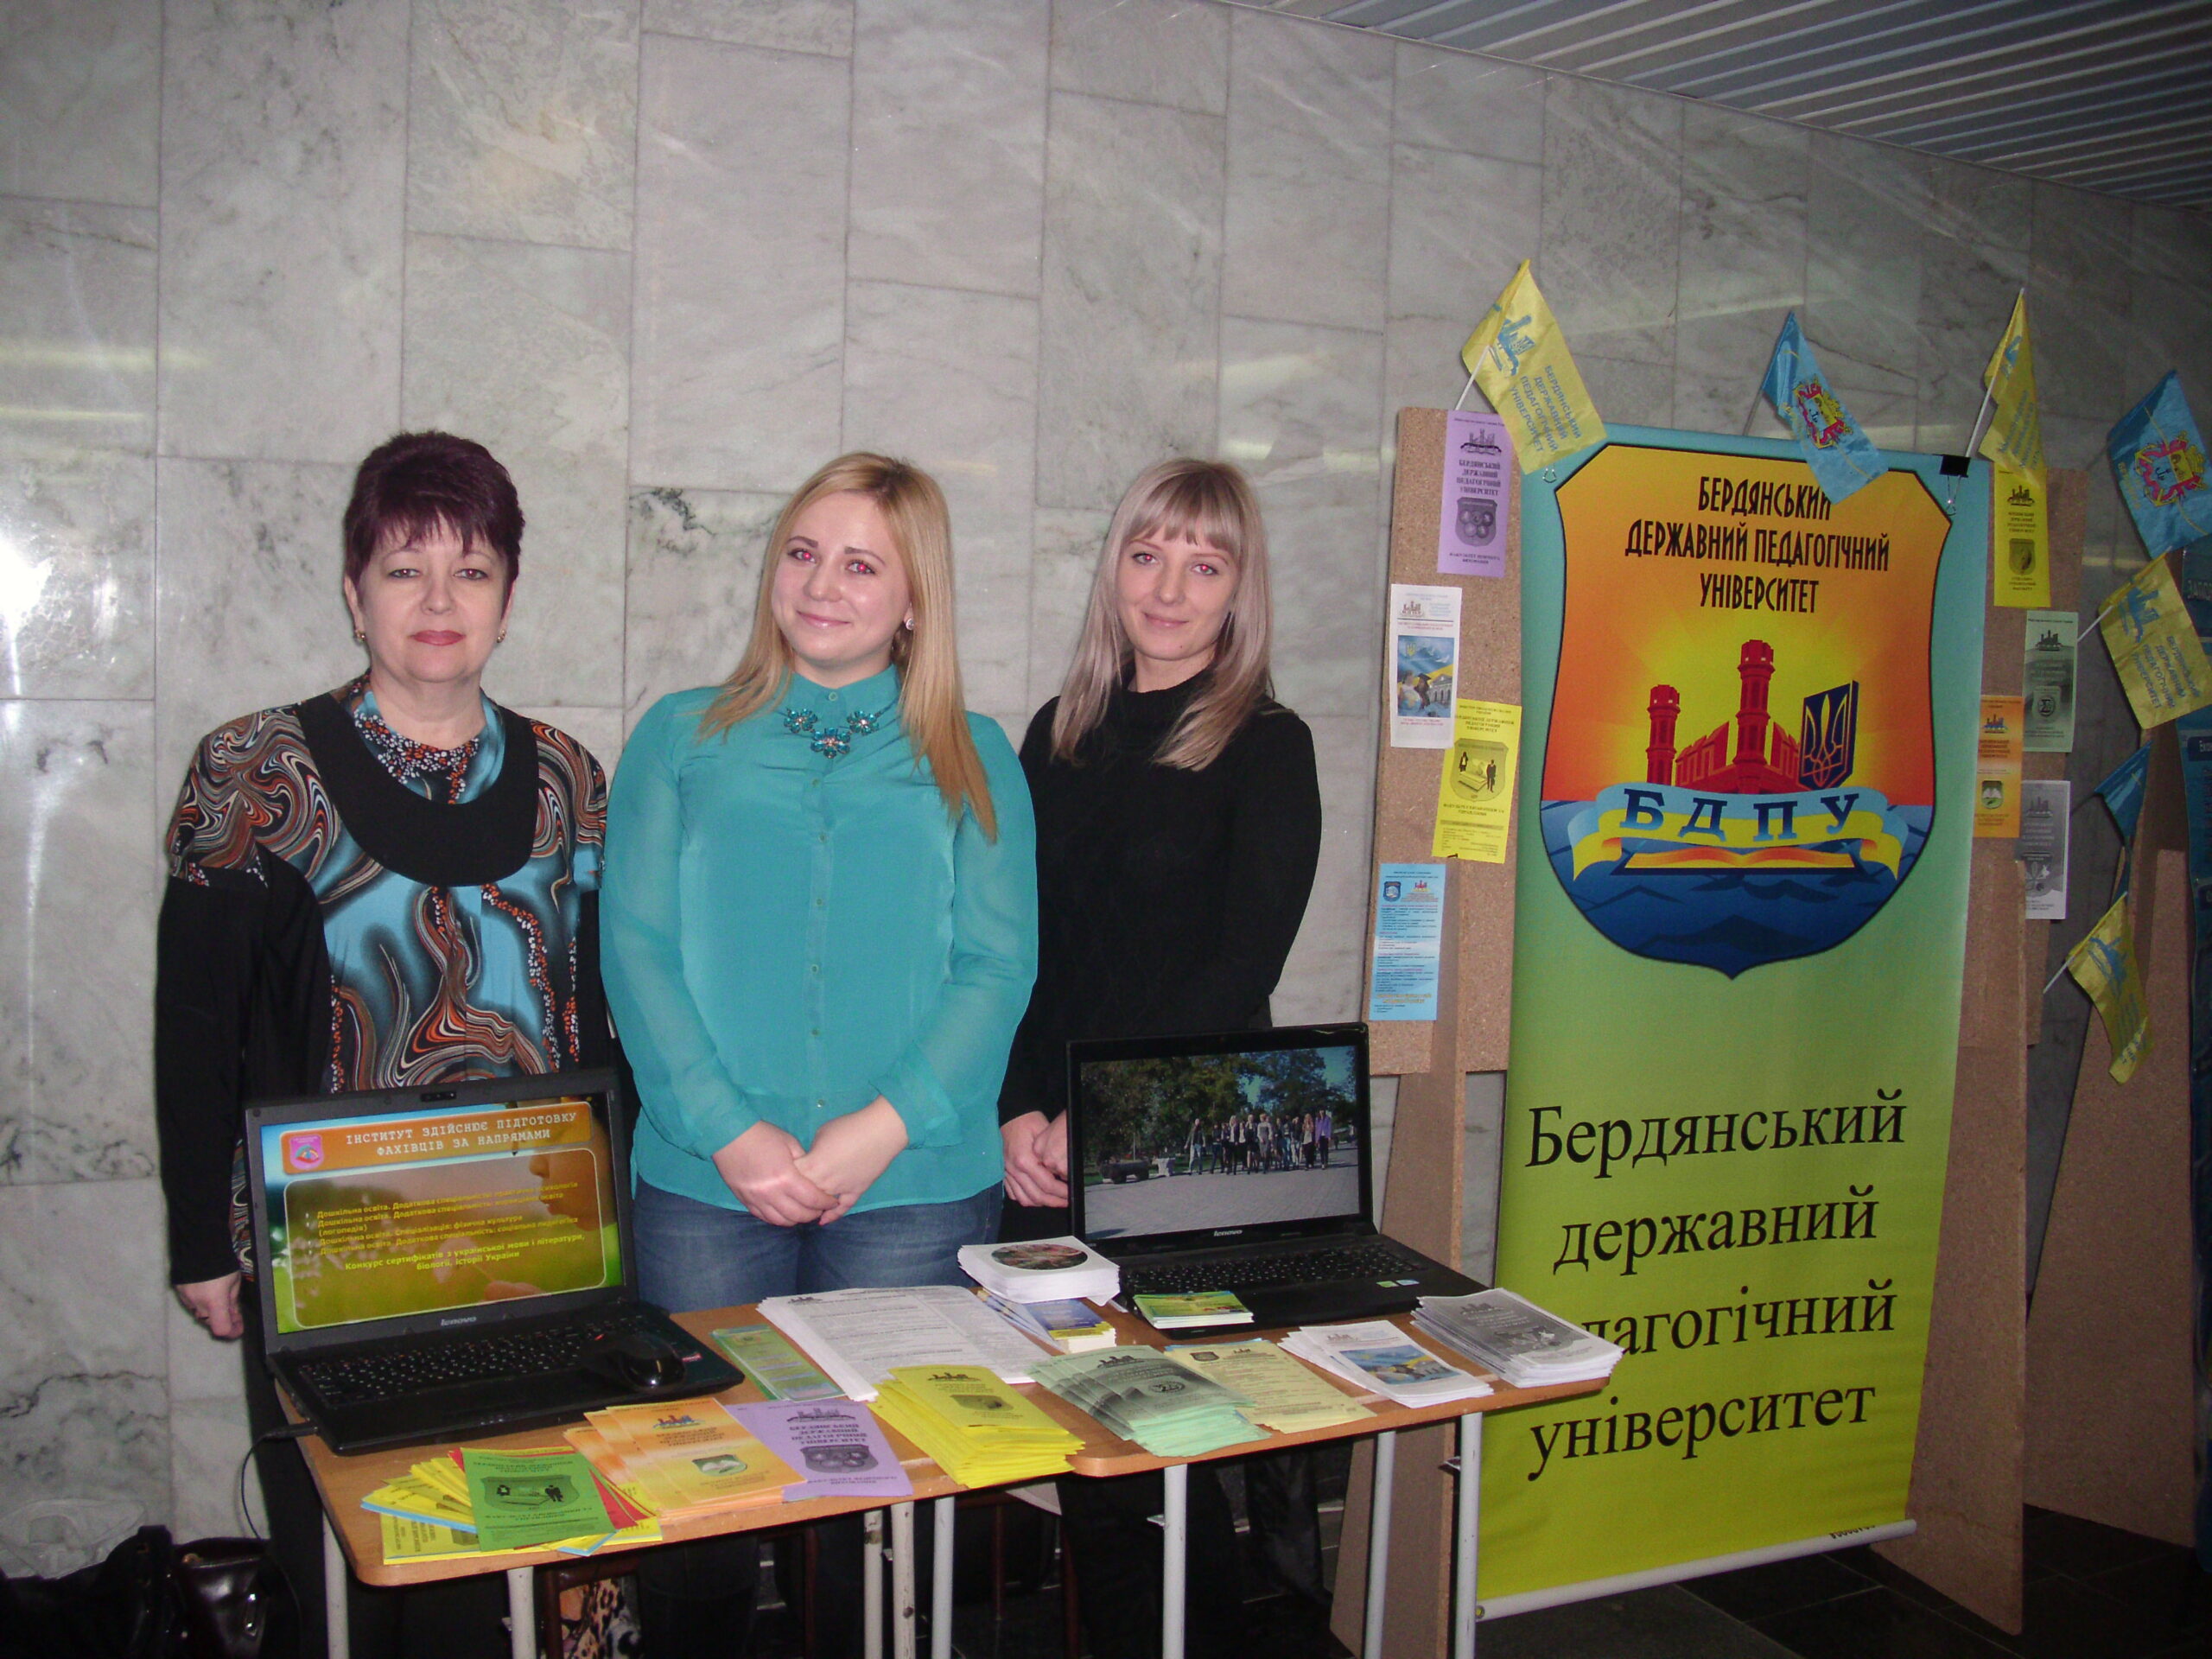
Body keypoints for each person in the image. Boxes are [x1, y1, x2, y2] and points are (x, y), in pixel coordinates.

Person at [155, 432, 613, 1658]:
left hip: (528, 1245)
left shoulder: (569, 780)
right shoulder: (253, 773)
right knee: (362, 1569)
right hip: (328, 1250)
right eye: (405, 569)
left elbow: (589, 1017)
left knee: (521, 1554)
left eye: (472, 571)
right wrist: (202, 1239)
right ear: (354, 592)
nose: (438, 600)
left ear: (509, 597)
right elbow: (194, 1028)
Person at [601, 452, 1036, 1655]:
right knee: (698, 1493)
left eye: (861, 565)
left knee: (876, 1509)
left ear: (914, 598)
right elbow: (635, 947)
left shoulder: (975, 752)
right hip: (706, 1184)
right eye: (803, 553)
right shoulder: (680, 736)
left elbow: (998, 966)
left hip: (912, 1188)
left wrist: (878, 1128)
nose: (822, 584)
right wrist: (728, 1130)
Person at [997, 458, 1324, 1659]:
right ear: (1116, 569)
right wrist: (1018, 1108)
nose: (1170, 590)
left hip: (1187, 1147)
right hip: (1051, 1141)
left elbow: (1239, 968)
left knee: (1179, 1447)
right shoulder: (1059, 731)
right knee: (1092, 1448)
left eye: (1204, 564)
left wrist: (1102, 1115)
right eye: (1148, 556)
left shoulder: (1268, 745)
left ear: (1240, 588)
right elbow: (1018, 944)